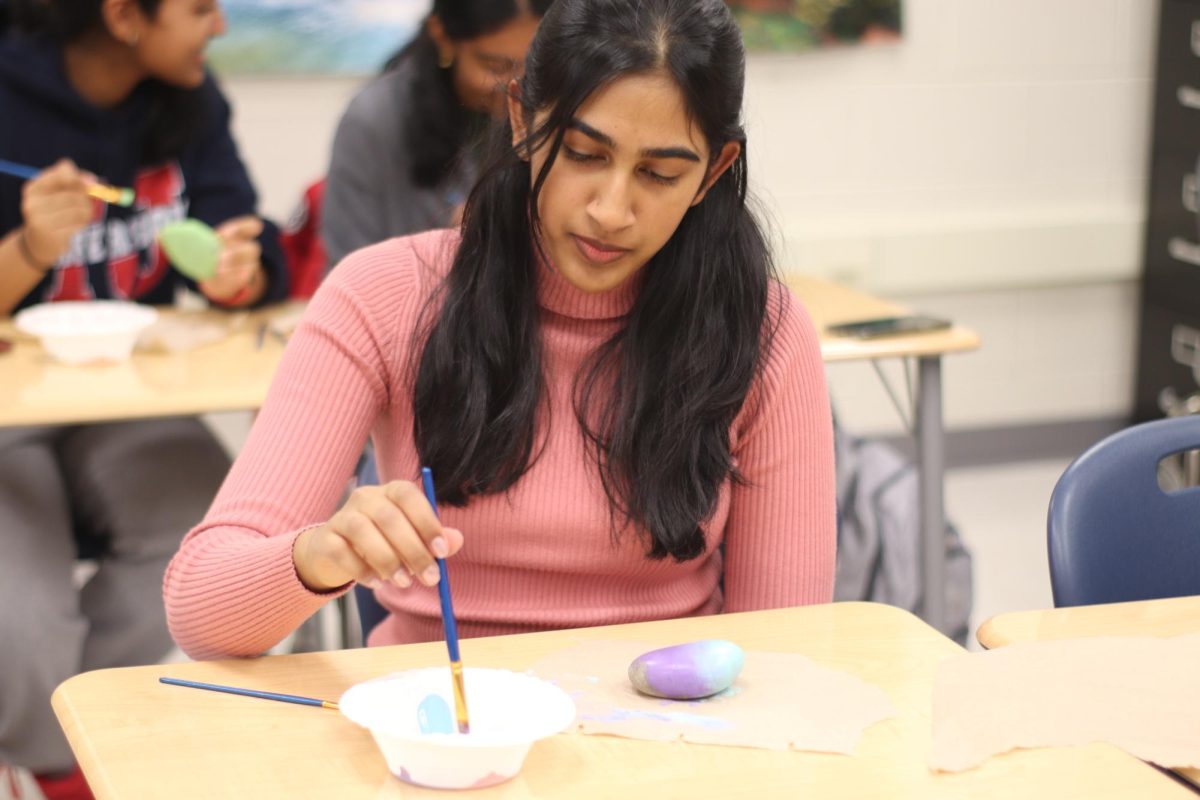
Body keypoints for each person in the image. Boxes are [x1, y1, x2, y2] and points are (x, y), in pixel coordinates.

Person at [165, 0, 836, 660]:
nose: (611, 211)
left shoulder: (765, 333)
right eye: (581, 154)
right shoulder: (383, 297)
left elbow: (784, 655)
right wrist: (320, 554)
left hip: (665, 738)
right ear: (521, 119)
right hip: (434, 737)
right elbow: (200, 612)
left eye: (659, 174)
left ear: (713, 172)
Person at [0, 1, 286, 798]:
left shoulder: (190, 96)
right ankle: (70, 765)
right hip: (8, 413)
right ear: (125, 15)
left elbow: (243, 238)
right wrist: (28, 249)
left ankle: (57, 752)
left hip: (131, 394)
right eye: (200, 9)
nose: (220, 27)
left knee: (202, 542)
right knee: (19, 616)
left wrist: (243, 272)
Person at [320, 0, 551, 270]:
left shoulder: (553, 109)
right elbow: (345, 269)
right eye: (495, 66)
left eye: (534, 66)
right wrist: (448, 246)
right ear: (442, 36)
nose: (516, 87)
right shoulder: (374, 120)